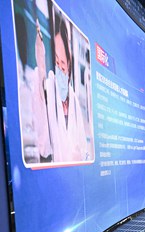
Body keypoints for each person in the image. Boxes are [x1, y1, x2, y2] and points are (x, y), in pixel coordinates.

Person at [34, 10, 87, 163]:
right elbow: (43, 147)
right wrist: (41, 68)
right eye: (56, 62)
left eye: (62, 64)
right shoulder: (49, 89)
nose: (59, 69)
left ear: (69, 65)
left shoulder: (74, 101)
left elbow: (83, 149)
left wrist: (80, 156)